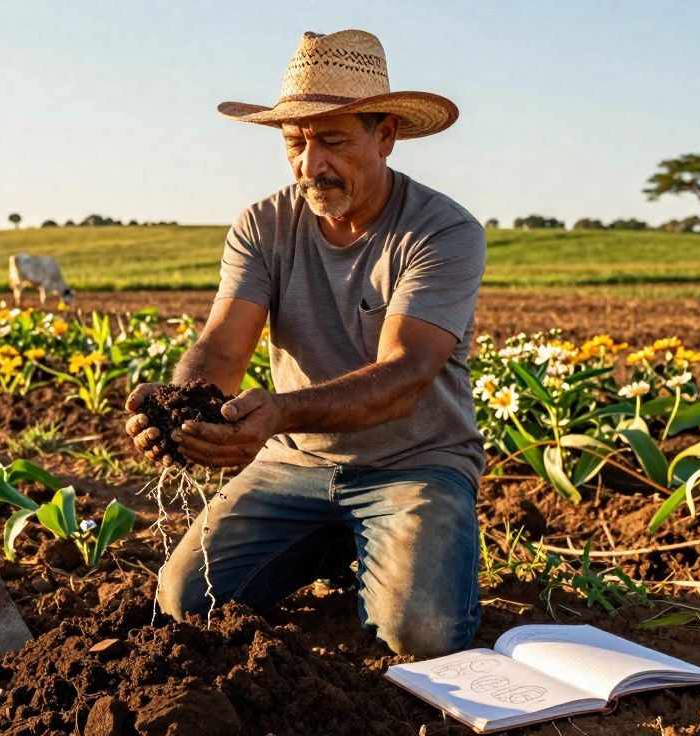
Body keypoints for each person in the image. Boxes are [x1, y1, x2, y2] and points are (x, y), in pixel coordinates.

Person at [125, 29, 486, 656]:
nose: (310, 166)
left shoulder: (441, 231)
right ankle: (337, 542)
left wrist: (279, 412)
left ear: (386, 136)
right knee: (187, 601)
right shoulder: (264, 224)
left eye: (333, 141)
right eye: (295, 142)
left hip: (414, 467)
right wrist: (181, 409)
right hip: (293, 465)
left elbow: (405, 375)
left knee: (418, 635)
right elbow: (222, 348)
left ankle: (393, 543)